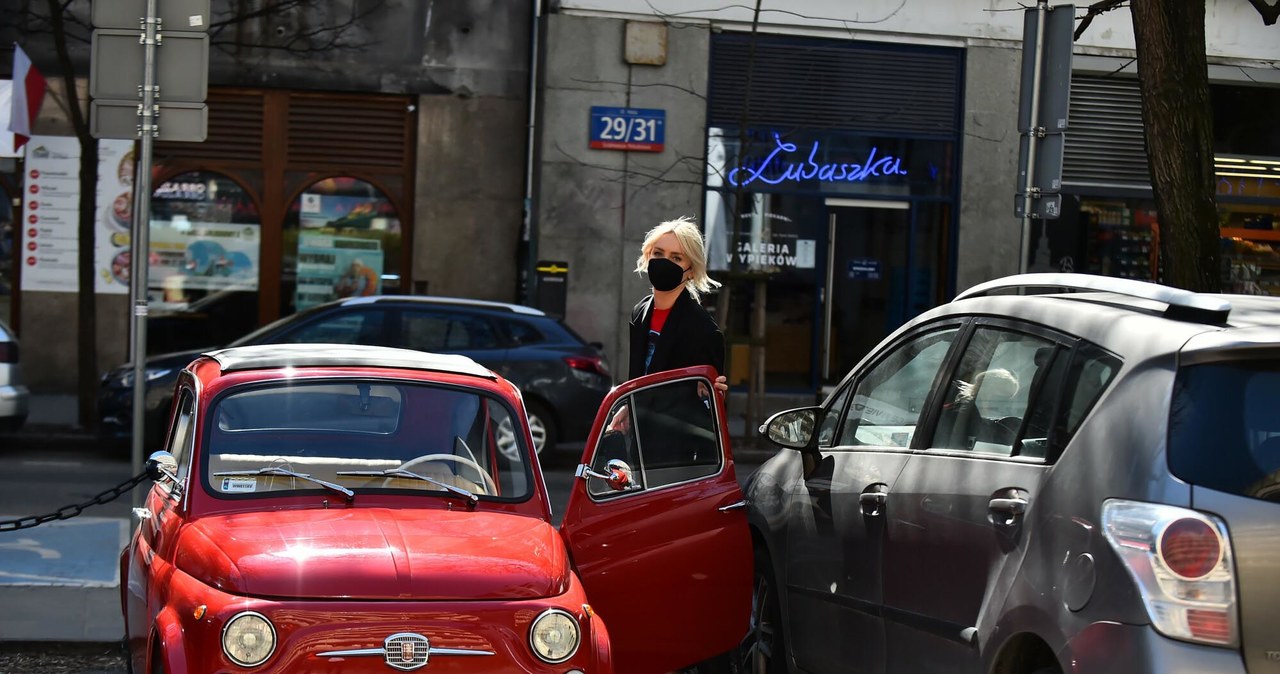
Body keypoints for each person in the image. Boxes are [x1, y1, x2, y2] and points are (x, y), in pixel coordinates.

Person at [609, 217, 727, 436]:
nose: (664, 262)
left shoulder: (703, 329)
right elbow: (640, 375)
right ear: (647, 255)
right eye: (658, 253)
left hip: (676, 452)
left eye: (676, 258)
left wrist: (714, 391)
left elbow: (711, 406)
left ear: (691, 270)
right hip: (638, 440)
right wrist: (629, 407)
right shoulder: (640, 312)